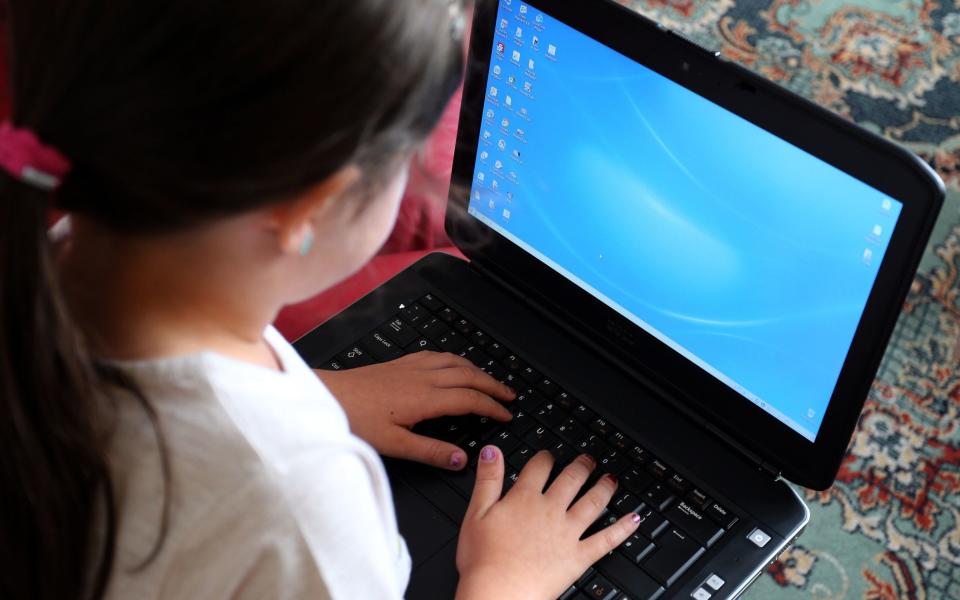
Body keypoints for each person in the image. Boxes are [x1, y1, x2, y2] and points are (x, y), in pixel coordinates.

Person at [0, 1, 642, 599]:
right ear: (311, 206)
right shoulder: (304, 500)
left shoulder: (54, 259)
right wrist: (507, 579)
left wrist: (316, 393)